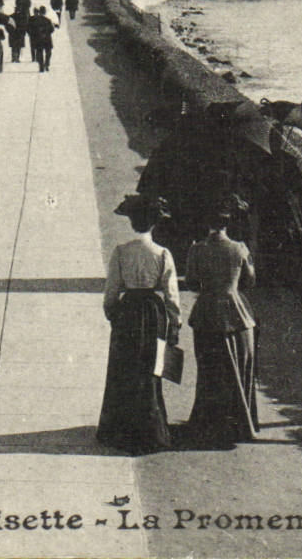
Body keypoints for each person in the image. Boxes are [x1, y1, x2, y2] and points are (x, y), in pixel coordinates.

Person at [98, 196, 181, 454]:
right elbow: (171, 295)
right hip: (152, 312)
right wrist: (174, 324)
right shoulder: (162, 254)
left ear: (133, 223)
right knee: (150, 369)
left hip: (128, 312)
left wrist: (114, 314)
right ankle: (152, 428)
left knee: (124, 368)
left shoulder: (122, 252)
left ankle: (119, 428)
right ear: (154, 224)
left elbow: (111, 292)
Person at [184, 194, 260, 446]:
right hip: (235, 314)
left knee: (209, 369)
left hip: (206, 313)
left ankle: (208, 422)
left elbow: (192, 282)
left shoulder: (197, 249)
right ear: (228, 224)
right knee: (238, 367)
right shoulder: (239, 248)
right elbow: (250, 281)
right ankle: (238, 422)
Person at [27, 7, 55, 72]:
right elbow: (52, 29)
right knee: (48, 52)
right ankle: (47, 63)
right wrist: (46, 33)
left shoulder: (35, 21)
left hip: (38, 39)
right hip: (47, 39)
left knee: (40, 53)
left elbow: (31, 30)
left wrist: (33, 35)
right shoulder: (48, 20)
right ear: (45, 12)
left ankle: (41, 67)